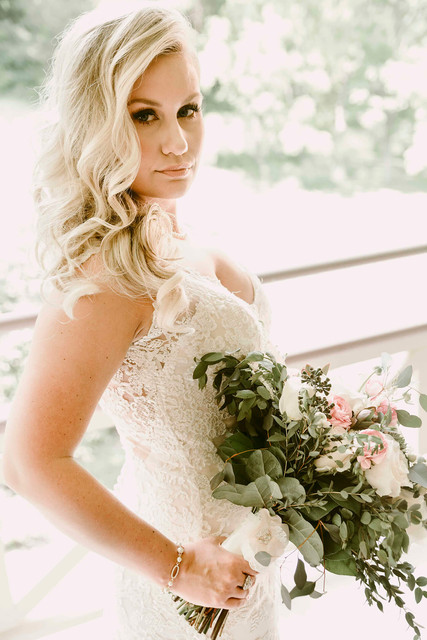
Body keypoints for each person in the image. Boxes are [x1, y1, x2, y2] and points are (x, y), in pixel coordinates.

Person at [2, 4, 283, 638]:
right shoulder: (107, 276)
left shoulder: (180, 238)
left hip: (246, 569)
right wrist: (178, 567)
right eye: (144, 115)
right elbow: (27, 461)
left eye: (188, 109)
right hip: (188, 592)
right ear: (96, 123)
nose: (179, 142)